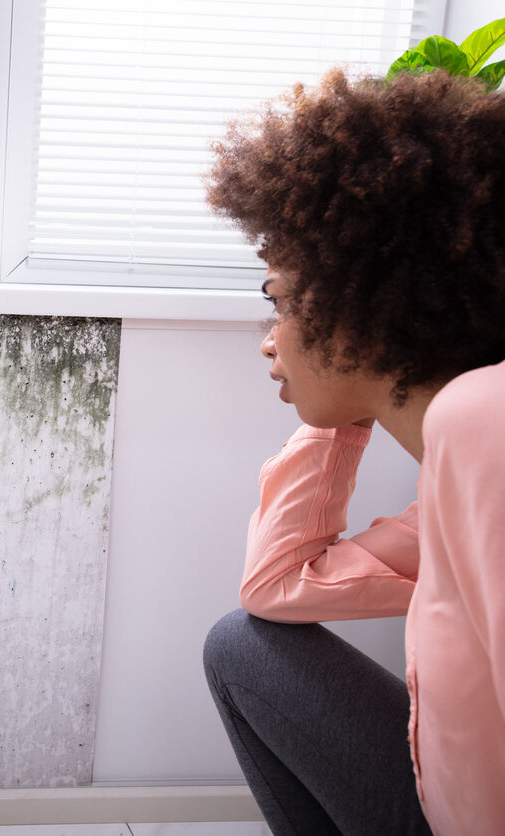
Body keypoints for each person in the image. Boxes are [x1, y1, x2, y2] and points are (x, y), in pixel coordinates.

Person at [200, 67, 505, 836]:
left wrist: (352, 354)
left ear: (352, 291)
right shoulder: (455, 458)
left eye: (276, 300)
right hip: (443, 794)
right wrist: (346, 393)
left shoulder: (482, 421)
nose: (268, 341)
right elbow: (275, 587)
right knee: (241, 643)